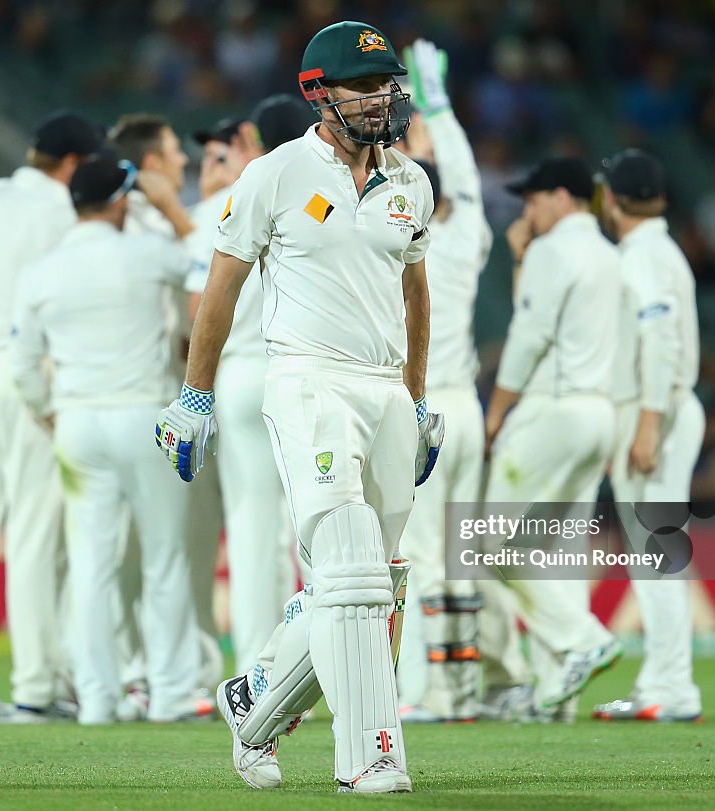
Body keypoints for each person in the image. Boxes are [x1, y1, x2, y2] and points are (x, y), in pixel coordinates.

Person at [156, 20, 442, 794]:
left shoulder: (411, 183)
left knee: (372, 580)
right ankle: (372, 755)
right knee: (350, 573)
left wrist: (417, 401)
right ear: (319, 95)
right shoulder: (276, 174)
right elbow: (221, 287)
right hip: (306, 381)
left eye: (387, 85)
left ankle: (252, 703)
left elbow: (416, 298)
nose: (381, 99)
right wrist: (194, 394)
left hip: (385, 389)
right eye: (362, 87)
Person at [11, 154, 202, 725]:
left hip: (77, 422)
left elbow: (22, 365)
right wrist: (169, 206)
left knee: (91, 565)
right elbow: (206, 264)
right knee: (165, 557)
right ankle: (169, 696)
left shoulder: (41, 271)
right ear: (120, 201)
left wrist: (49, 412)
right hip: (145, 416)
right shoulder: (145, 252)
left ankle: (96, 700)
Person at [0, 111, 101, 725]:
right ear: (75, 165)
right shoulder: (67, 212)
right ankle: (35, 686)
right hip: (27, 371)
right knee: (33, 533)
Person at [483, 157, 623, 719]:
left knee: (488, 543)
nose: (527, 210)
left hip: (552, 412)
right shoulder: (610, 255)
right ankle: (553, 696)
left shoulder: (553, 249)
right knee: (553, 553)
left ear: (563, 197)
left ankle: (583, 639)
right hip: (598, 413)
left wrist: (497, 411)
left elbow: (529, 333)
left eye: (535, 198)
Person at [184, 96, 316, 675]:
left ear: (248, 136)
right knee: (315, 523)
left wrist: (195, 391)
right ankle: (315, 662)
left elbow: (200, 305)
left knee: (251, 525)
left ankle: (261, 673)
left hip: (240, 372)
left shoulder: (233, 197)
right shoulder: (325, 195)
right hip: (308, 371)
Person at [390, 39, 492, 724]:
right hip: (470, 411)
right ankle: (460, 690)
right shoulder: (473, 231)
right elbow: (466, 182)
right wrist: (439, 106)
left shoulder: (401, 240)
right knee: (460, 551)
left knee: (419, 550)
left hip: (422, 403)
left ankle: (422, 692)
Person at [106, 112, 220, 722]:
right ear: (152, 164)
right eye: (176, 149)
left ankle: (165, 672)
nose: (184, 161)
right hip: (140, 397)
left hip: (166, 396)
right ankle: (134, 676)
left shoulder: (152, 223)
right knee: (135, 550)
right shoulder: (143, 224)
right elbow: (211, 271)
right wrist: (179, 215)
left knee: (170, 546)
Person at [594, 148, 704, 722]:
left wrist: (648, 423)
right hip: (657, 410)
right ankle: (662, 683)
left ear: (613, 198)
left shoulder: (644, 256)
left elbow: (660, 343)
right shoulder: (657, 251)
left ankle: (672, 689)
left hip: (656, 411)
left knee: (658, 558)